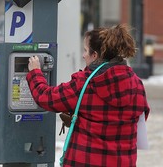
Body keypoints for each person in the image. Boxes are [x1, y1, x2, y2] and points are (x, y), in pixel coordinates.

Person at [26, 24, 150, 167]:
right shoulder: (137, 84)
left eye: (85, 50)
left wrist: (35, 72)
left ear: (95, 55)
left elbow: (45, 97)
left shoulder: (85, 83)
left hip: (84, 161)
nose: (83, 55)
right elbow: (140, 119)